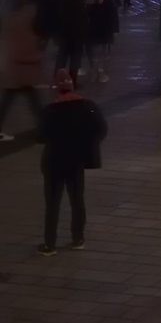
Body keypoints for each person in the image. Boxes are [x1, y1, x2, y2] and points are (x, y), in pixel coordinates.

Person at [36, 69, 106, 255]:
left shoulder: (50, 110)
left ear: (56, 89)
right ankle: (78, 238)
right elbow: (101, 130)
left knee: (52, 204)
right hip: (76, 161)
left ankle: (50, 244)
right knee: (77, 200)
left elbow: (40, 136)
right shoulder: (87, 106)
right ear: (73, 85)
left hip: (53, 161)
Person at [0, 0, 45, 140]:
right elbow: (28, 43)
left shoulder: (9, 17)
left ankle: (43, 130)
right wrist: (37, 56)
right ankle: (43, 132)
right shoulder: (29, 15)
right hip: (24, 67)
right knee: (33, 100)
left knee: (10, 99)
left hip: (14, 68)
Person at [84, 0, 118, 84]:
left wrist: (115, 30)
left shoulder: (109, 2)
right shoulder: (90, 2)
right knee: (94, 53)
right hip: (94, 32)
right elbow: (87, 15)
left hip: (104, 33)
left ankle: (101, 72)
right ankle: (95, 71)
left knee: (103, 53)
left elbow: (113, 17)